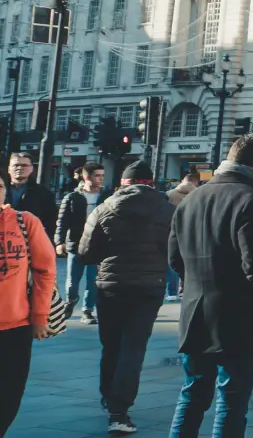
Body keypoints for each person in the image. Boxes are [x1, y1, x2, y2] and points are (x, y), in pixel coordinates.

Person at [169, 134, 253, 438]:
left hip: (194, 313)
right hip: (237, 317)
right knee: (231, 402)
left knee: (192, 396)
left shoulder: (191, 197)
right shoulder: (249, 196)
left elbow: (175, 258)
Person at [78, 161, 175, 434]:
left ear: (124, 182)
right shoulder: (168, 210)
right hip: (148, 288)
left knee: (111, 345)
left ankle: (109, 397)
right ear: (151, 182)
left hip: (110, 287)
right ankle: (120, 411)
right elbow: (175, 252)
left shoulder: (104, 208)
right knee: (133, 347)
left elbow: (86, 253)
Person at [0, 175, 56, 433]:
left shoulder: (25, 221)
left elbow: (45, 270)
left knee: (9, 396)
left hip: (16, 326)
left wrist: (41, 316)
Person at [55, 160, 106, 323]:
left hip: (97, 244)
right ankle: (70, 301)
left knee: (93, 281)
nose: (101, 179)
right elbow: (62, 221)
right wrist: (59, 242)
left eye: (102, 176)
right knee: (72, 281)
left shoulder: (106, 196)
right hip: (75, 244)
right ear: (86, 177)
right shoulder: (72, 197)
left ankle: (87, 310)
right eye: (97, 176)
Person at [6, 152, 58, 238]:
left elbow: (51, 224)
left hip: (29, 242)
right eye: (16, 165)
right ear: (9, 169)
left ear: (31, 169)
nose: (19, 168)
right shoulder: (2, 190)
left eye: (24, 165)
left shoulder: (44, 194)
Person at [164, 174, 199, 302]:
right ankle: (187, 289)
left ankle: (172, 291)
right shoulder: (200, 194)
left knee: (172, 260)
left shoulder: (169, 194)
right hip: (193, 232)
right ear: (195, 182)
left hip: (172, 230)